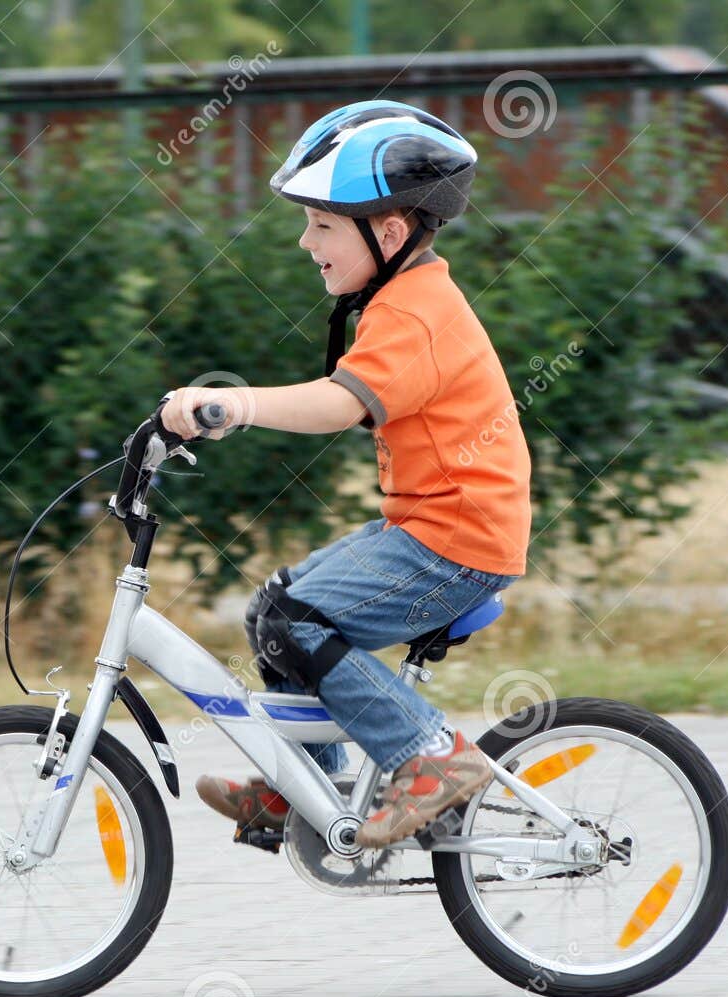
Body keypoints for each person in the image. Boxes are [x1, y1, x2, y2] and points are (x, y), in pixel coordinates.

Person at [158, 100, 532, 850]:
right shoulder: (399, 300)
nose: (306, 242)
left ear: (388, 232)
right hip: (431, 527)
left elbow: (337, 404)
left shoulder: (414, 311)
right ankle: (310, 787)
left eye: (322, 225)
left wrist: (231, 405)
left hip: (454, 539)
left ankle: (432, 758)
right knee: (276, 611)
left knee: (295, 623)